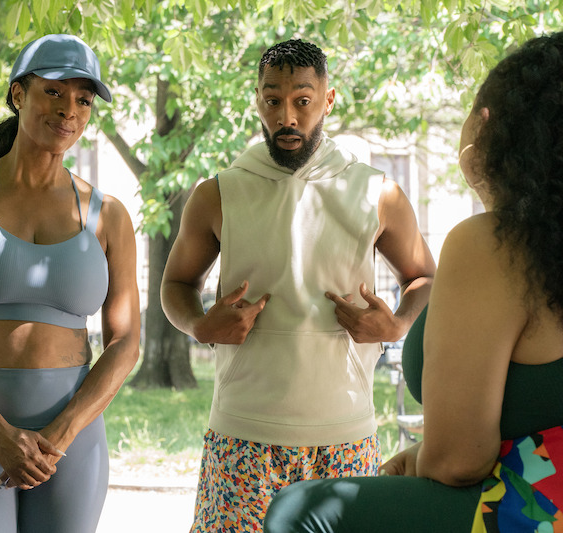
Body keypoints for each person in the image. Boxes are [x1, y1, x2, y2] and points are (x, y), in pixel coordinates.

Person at [264, 31, 563, 533]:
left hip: (537, 503)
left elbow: (457, 462)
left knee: (298, 512)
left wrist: (419, 459)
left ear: (490, 125)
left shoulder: (490, 244)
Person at [160, 38, 436, 532]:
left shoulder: (378, 194)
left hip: (345, 436)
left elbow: (423, 277)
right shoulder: (217, 193)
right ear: (257, 101)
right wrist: (202, 325)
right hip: (241, 433)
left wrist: (395, 325)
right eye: (273, 100)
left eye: (302, 101)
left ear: (328, 101)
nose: (286, 116)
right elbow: (176, 284)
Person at [0, 34, 140, 533]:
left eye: (84, 100)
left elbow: (126, 343)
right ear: (19, 94)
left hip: (72, 443)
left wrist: (59, 436)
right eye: (55, 92)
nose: (70, 111)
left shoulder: (109, 217)